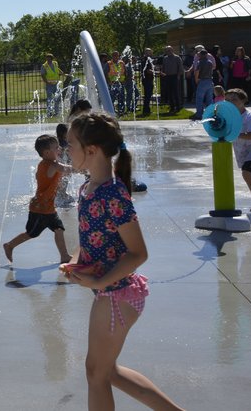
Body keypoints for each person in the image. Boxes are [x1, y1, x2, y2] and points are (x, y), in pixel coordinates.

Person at [60, 112, 183, 411]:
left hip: (117, 294)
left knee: (96, 373)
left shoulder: (112, 194)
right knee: (107, 371)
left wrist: (100, 280)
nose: (67, 150)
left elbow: (138, 253)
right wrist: (74, 263)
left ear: (91, 150)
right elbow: (90, 239)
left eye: (71, 144)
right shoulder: (88, 188)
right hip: (110, 292)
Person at [3, 134, 71, 264]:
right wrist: (84, 168)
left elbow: (39, 176)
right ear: (47, 152)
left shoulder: (44, 164)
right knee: (32, 233)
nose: (59, 149)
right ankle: (10, 245)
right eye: (56, 147)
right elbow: (65, 169)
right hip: (40, 209)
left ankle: (64, 256)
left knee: (59, 229)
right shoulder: (52, 165)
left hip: (48, 207)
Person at [189, 45, 216, 121]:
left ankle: (199, 114)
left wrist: (196, 80)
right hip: (210, 81)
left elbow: (197, 72)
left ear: (201, 55)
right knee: (209, 99)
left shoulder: (199, 62)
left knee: (199, 99)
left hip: (202, 81)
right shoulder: (210, 62)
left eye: (199, 54)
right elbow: (212, 70)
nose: (198, 55)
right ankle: (210, 114)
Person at [159, 46, 182, 114]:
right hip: (167, 76)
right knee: (169, 93)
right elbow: (163, 67)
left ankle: (178, 107)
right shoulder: (165, 58)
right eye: (166, 50)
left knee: (176, 92)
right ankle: (172, 107)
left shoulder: (177, 57)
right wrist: (162, 72)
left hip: (175, 76)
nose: (168, 52)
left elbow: (180, 67)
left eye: (169, 50)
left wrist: (178, 76)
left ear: (172, 50)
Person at [139, 48, 155, 116]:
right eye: (149, 52)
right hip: (147, 80)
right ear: (146, 53)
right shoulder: (146, 60)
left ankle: (147, 110)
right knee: (147, 96)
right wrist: (157, 72)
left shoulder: (147, 60)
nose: (151, 53)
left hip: (148, 79)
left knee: (148, 95)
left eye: (150, 52)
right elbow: (148, 71)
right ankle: (146, 111)